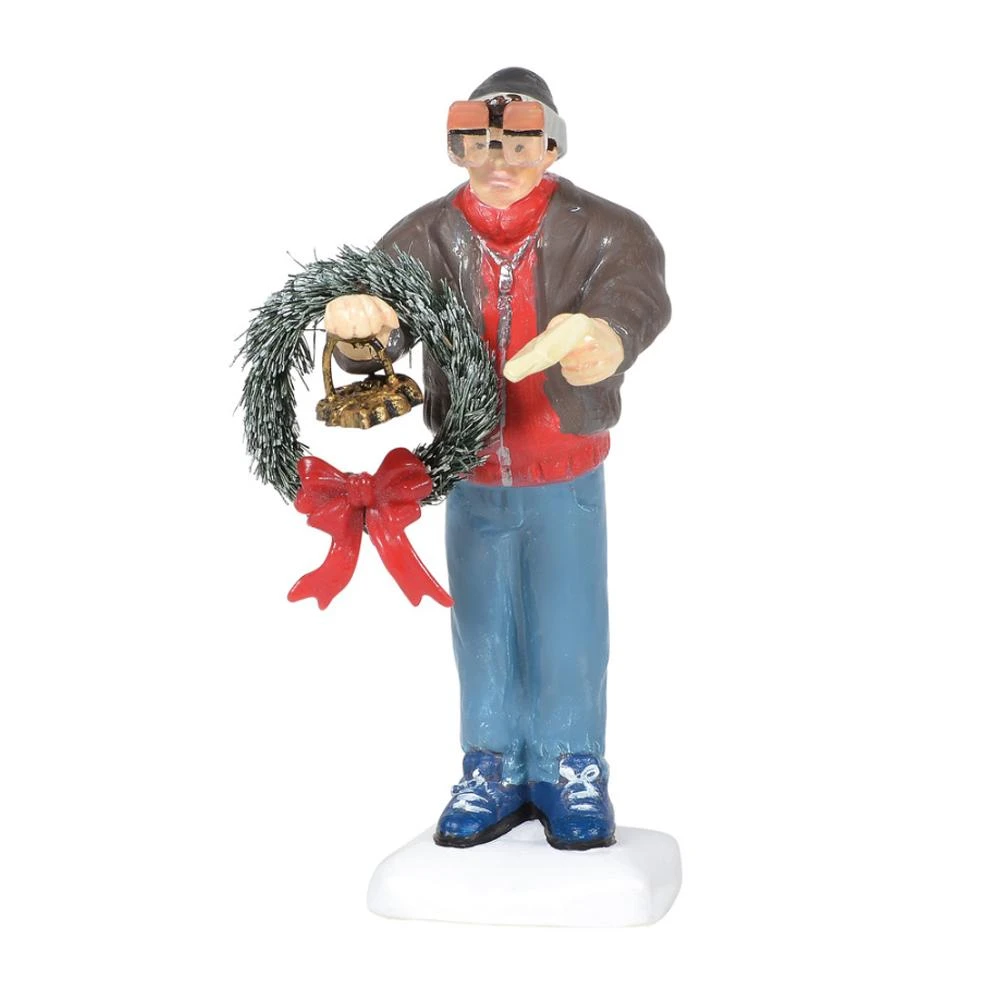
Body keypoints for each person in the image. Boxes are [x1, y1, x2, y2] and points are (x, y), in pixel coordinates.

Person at [324, 67, 671, 850]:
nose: (500, 162)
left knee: (569, 621)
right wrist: (360, 326)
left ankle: (571, 764)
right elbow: (381, 324)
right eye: (480, 146)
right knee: (482, 623)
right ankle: (492, 763)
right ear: (458, 151)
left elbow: (636, 293)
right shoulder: (425, 236)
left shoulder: (604, 230)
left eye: (517, 146)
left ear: (550, 148)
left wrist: (604, 337)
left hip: (564, 467)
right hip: (472, 470)